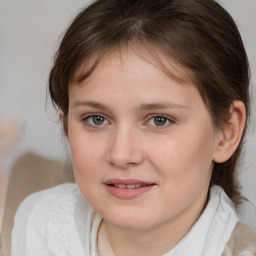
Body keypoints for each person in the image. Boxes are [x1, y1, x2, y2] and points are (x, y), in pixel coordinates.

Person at [11, 0, 256, 255]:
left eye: (159, 120)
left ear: (226, 133)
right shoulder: (40, 224)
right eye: (96, 119)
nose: (121, 155)